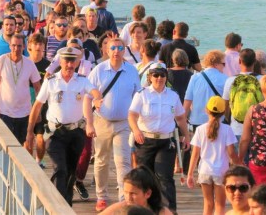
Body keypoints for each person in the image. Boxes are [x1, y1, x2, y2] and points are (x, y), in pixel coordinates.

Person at [26, 46, 97, 205]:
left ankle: (66, 204)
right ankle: (58, 207)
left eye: (73, 62)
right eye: (67, 61)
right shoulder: (51, 81)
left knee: (71, 172)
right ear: (61, 61)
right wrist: (30, 131)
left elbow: (94, 92)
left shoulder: (82, 80)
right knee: (60, 169)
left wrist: (98, 99)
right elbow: (37, 106)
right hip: (55, 134)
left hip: (76, 133)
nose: (70, 65)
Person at [88, 37, 143, 211]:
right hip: (101, 121)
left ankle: (124, 198)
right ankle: (101, 196)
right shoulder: (99, 70)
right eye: (113, 47)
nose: (117, 51)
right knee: (101, 160)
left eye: (120, 47)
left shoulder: (132, 71)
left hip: (124, 123)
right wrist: (90, 118)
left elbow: (138, 96)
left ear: (124, 49)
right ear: (107, 50)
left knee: (123, 161)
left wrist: (138, 122)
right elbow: (87, 93)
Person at [129, 62, 190, 212]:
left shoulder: (173, 96)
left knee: (165, 178)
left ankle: (170, 211)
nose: (159, 78)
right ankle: (144, 211)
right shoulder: (142, 94)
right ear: (150, 77)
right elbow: (132, 115)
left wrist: (186, 136)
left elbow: (181, 118)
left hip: (166, 142)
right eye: (155, 75)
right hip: (145, 141)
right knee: (144, 178)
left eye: (162, 74)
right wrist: (136, 130)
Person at [187, 96, 238, 215]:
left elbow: (195, 154)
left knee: (208, 204)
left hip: (204, 171)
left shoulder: (200, 129)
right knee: (220, 205)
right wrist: (240, 165)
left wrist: (190, 174)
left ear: (206, 110)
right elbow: (231, 153)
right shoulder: (227, 129)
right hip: (221, 171)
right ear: (223, 112)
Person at [0, 33, 42, 144]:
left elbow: (38, 87)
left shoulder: (29, 63)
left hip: (24, 113)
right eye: (13, 45)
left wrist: (37, 110)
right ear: (10, 46)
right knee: (5, 144)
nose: (16, 49)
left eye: (19, 46)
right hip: (5, 111)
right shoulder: (1, 60)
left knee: (21, 144)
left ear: (24, 47)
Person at [223, 48, 263, 150]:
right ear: (254, 62)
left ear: (239, 61)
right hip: (257, 130)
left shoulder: (230, 81)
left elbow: (226, 107)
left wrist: (229, 120)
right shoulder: (262, 80)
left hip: (236, 130)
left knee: (238, 163)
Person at [99, 166, 174, 215]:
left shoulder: (161, 212)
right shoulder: (120, 209)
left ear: (148, 193)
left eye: (133, 193)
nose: (128, 197)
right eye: (125, 192)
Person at [27, 33, 50, 166]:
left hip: (42, 106)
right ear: (29, 46)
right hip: (25, 105)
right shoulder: (24, 63)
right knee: (27, 140)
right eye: (35, 43)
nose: (38, 46)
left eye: (41, 44)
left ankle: (38, 161)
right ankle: (29, 163)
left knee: (41, 139)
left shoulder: (48, 66)